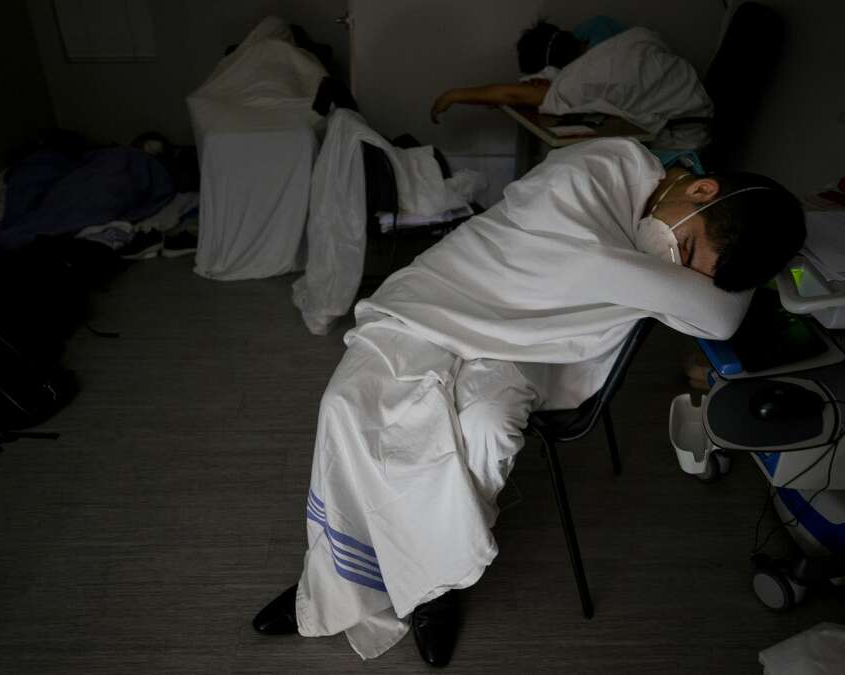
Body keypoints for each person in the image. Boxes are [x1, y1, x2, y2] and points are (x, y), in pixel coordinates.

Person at [251, 138, 805, 666]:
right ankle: (332, 577)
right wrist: (681, 277)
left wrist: (715, 267)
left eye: (686, 268)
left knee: (487, 427)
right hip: (442, 298)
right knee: (345, 407)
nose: (671, 265)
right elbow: (612, 276)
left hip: (530, 340)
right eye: (683, 250)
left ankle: (433, 585)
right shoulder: (593, 171)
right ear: (702, 190)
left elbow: (723, 314)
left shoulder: (665, 226)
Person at [430, 18, 713, 148]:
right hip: (692, 105)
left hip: (684, 139)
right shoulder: (622, 39)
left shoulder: (583, 79)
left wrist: (455, 94)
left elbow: (516, 96)